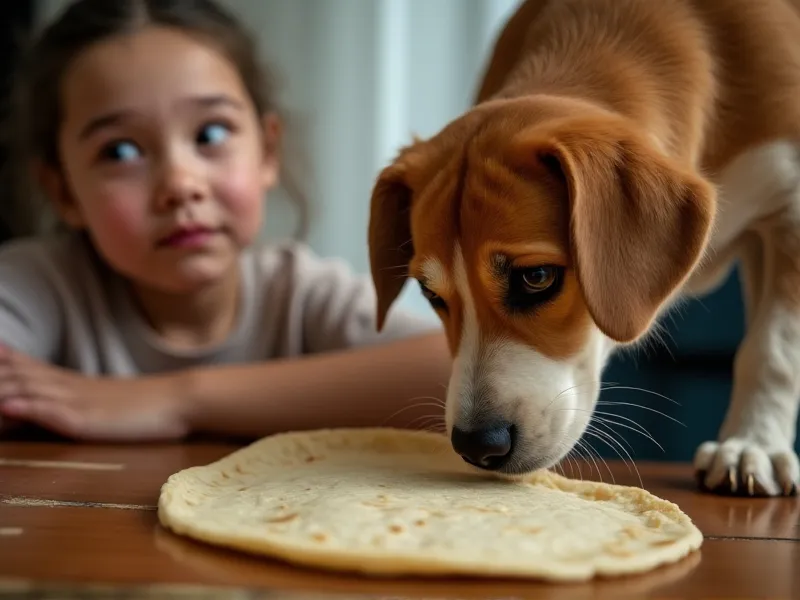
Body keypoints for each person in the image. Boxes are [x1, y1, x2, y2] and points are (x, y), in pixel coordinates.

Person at [0, 0, 450, 442]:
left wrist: (179, 399)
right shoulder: (41, 284)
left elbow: (449, 367)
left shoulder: (298, 293)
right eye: (120, 151)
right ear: (62, 190)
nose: (180, 183)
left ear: (267, 151)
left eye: (210, 134)